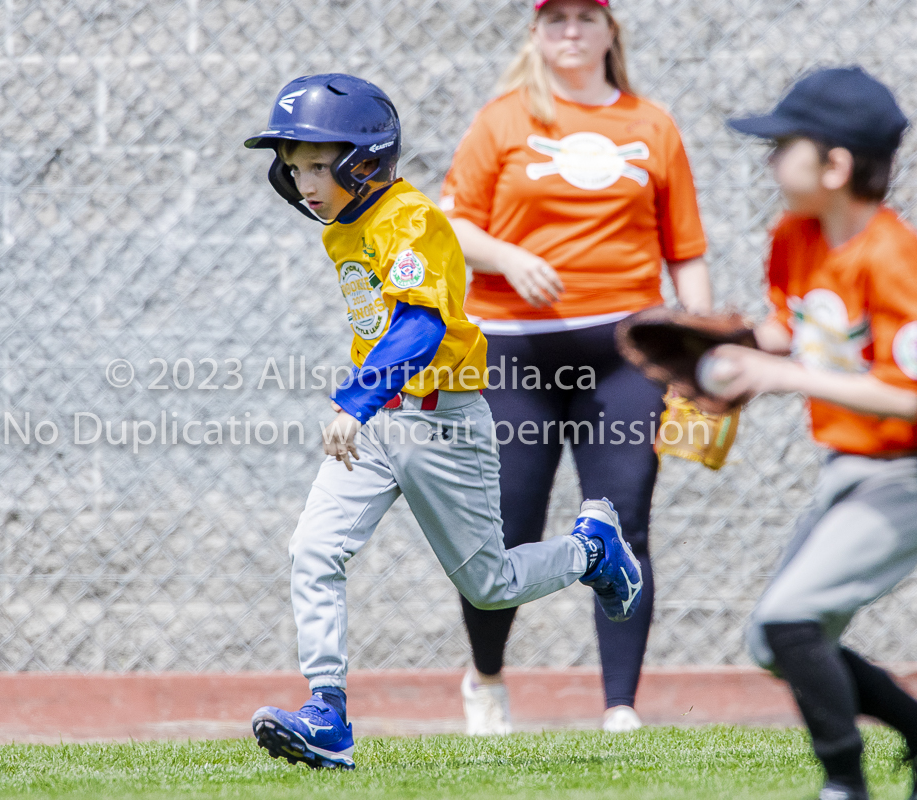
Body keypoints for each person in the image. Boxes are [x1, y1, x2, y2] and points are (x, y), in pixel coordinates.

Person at [242, 72, 644, 770]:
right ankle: (327, 714)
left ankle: (591, 550)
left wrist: (353, 400)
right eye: (292, 166)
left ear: (364, 160)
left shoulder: (409, 218)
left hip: (439, 423)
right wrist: (366, 407)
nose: (302, 180)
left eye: (316, 163)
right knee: (314, 549)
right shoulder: (345, 226)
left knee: (489, 585)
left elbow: (420, 329)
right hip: (378, 423)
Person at [439, 0, 711, 734]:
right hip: (515, 354)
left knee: (623, 521)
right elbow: (452, 227)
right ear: (534, 32)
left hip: (625, 354)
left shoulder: (651, 125)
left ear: (609, 32)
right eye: (553, 17)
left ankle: (620, 708)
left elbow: (684, 249)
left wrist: (699, 358)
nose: (570, 31)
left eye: (585, 17)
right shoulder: (502, 120)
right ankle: (487, 681)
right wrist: (510, 257)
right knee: (504, 529)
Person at [713, 66, 917, 800]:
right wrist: (729, 349)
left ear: (834, 165)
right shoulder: (796, 237)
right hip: (850, 466)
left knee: (792, 620)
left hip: (906, 473)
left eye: (783, 145)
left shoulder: (894, 257)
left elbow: (911, 395)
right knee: (777, 639)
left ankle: (843, 783)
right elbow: (792, 329)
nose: (770, 159)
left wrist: (783, 377)